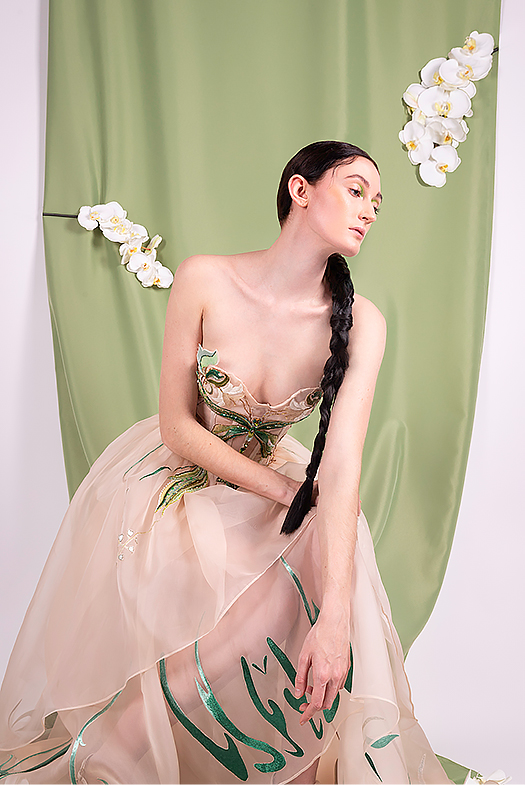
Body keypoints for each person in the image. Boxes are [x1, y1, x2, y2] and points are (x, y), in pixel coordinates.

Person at [0, 141, 451, 784]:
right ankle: (123, 747)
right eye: (356, 190)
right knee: (265, 551)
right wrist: (283, 491)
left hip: (287, 485)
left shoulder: (364, 324)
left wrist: (336, 618)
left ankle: (277, 757)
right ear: (300, 190)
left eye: (378, 201)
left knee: (328, 553)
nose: (370, 210)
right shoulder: (205, 278)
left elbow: (343, 465)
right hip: (186, 476)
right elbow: (178, 426)